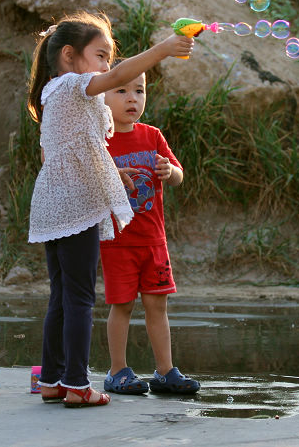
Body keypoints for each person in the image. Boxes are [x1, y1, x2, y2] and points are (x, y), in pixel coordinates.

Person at [27, 11, 193, 408]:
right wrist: (165, 49)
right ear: (69, 55)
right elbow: (118, 78)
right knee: (80, 300)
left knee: (60, 297)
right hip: (76, 207)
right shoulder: (72, 85)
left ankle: (51, 380)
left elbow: (67, 152)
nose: (106, 66)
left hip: (52, 204)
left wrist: (112, 170)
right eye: (101, 55)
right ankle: (78, 385)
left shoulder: (54, 92)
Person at [99, 69, 200, 395]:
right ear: (102, 96)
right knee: (123, 305)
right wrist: (112, 173)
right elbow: (91, 184)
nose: (132, 98)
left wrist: (170, 171)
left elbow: (178, 176)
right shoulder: (101, 141)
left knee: (158, 306)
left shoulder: (152, 135)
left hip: (153, 241)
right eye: (122, 91)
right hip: (118, 242)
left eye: (139, 91)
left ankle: (165, 371)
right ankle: (117, 371)